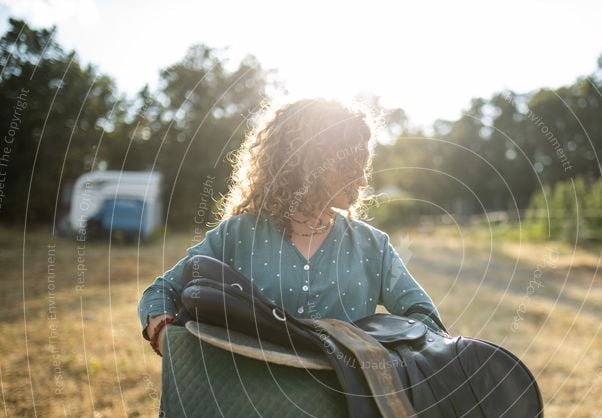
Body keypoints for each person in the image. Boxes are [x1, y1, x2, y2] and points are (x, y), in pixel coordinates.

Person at [138, 98, 445, 356]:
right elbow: (161, 291)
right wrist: (167, 335)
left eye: (365, 168)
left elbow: (426, 318)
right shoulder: (238, 235)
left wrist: (379, 356)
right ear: (310, 163)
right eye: (352, 166)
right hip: (253, 410)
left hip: (352, 414)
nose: (363, 180)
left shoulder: (373, 245)